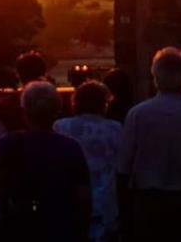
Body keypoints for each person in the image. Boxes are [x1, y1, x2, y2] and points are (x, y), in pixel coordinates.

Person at [117, 47, 181, 241]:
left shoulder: (137, 114)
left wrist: (124, 210)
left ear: (155, 77)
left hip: (147, 202)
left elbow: (123, 167)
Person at [0, 81, 92, 241]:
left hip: (20, 227)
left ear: (24, 110)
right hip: (60, 228)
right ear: (57, 109)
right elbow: (83, 198)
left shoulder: (11, 142)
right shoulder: (70, 147)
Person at [54, 79, 123, 241]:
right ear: (104, 104)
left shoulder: (61, 127)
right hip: (106, 203)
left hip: (70, 201)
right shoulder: (115, 128)